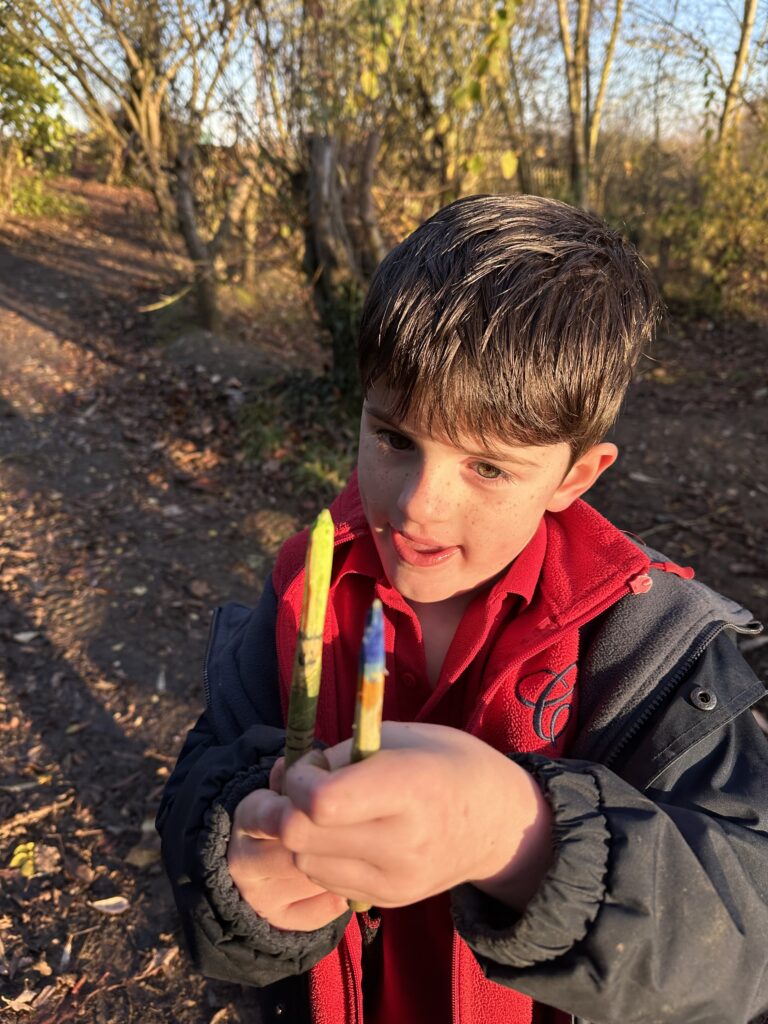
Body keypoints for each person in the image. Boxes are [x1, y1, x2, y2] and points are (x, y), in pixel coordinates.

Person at [156, 195, 768, 1024]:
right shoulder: (301, 595)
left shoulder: (657, 646)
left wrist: (517, 838)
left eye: (487, 467)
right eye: (395, 438)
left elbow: (745, 943)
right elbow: (203, 786)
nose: (418, 506)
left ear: (576, 477)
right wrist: (239, 880)